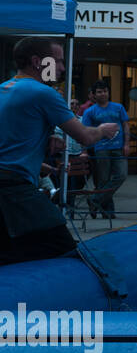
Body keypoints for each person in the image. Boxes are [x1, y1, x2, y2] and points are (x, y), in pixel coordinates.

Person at [0, 36, 119, 266]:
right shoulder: (43, 93)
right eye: (58, 61)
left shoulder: (4, 88)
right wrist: (103, 130)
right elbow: (84, 135)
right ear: (38, 62)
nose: (63, 68)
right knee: (64, 249)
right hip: (14, 189)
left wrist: (45, 140)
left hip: (11, 186)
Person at [81, 79, 130, 220]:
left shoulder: (118, 107)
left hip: (118, 147)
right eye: (99, 92)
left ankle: (94, 200)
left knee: (121, 175)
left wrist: (127, 144)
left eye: (105, 91)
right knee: (103, 180)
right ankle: (107, 211)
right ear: (94, 95)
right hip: (100, 148)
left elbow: (125, 125)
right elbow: (85, 132)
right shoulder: (90, 112)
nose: (103, 94)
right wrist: (84, 151)